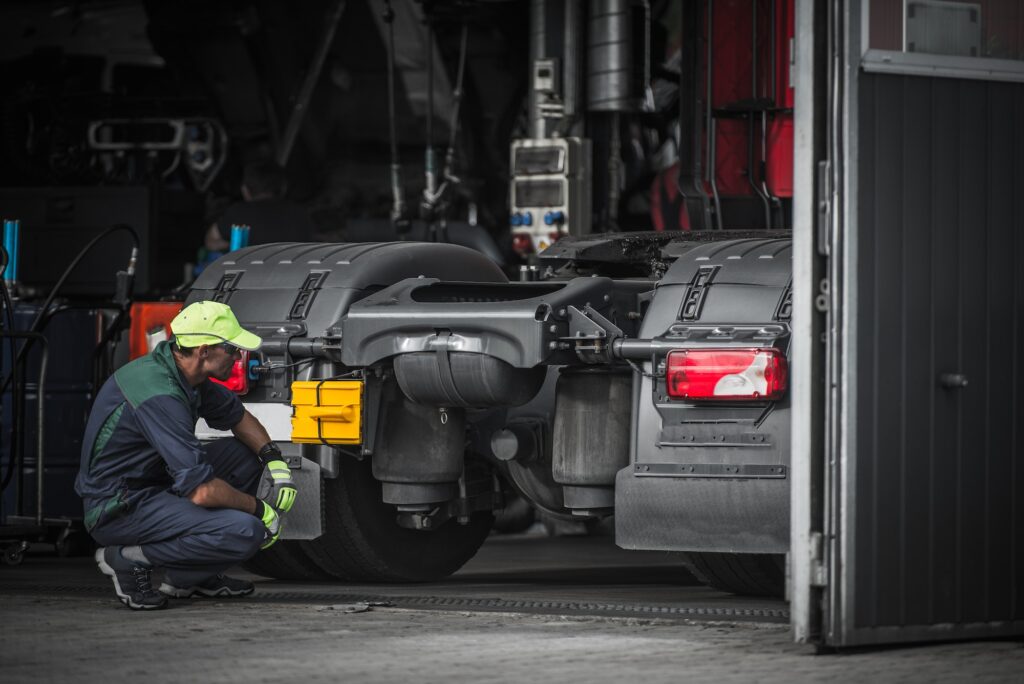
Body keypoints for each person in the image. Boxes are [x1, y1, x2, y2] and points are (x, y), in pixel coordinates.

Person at [75, 300, 298, 610]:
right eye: (231, 349)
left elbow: (238, 417)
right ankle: (126, 559)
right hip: (119, 505)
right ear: (204, 350)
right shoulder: (159, 393)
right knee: (245, 532)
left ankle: (190, 577)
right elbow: (201, 491)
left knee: (245, 456)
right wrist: (260, 509)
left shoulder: (185, 374)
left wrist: (275, 461)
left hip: (155, 483)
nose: (237, 357)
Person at [204, 159, 317, 251]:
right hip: (294, 277)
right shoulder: (300, 213)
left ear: (245, 190)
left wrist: (237, 242)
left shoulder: (239, 212)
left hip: (251, 277)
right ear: (283, 188)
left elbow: (211, 242)